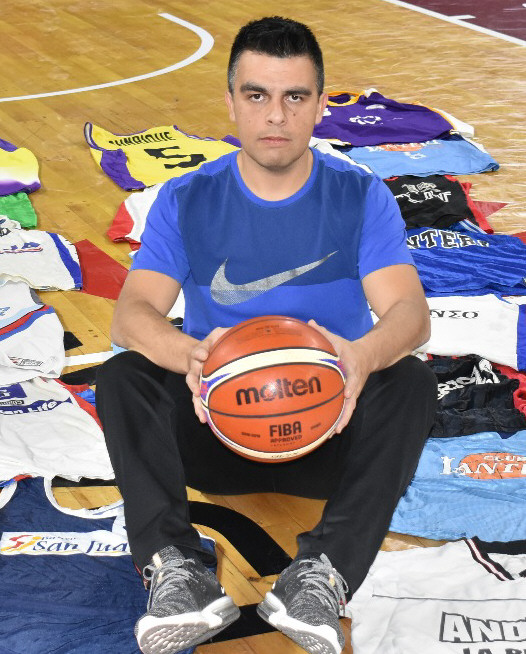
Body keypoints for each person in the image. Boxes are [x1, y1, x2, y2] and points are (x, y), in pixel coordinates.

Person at [96, 16, 438, 654]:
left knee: (412, 381)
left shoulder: (360, 195)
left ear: (320, 105)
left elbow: (410, 315)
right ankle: (178, 571)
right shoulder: (186, 198)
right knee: (122, 376)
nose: (275, 115)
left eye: (294, 96)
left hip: (331, 431)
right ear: (231, 102)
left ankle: (323, 574)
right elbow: (131, 314)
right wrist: (191, 356)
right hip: (218, 426)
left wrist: (361, 357)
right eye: (257, 95)